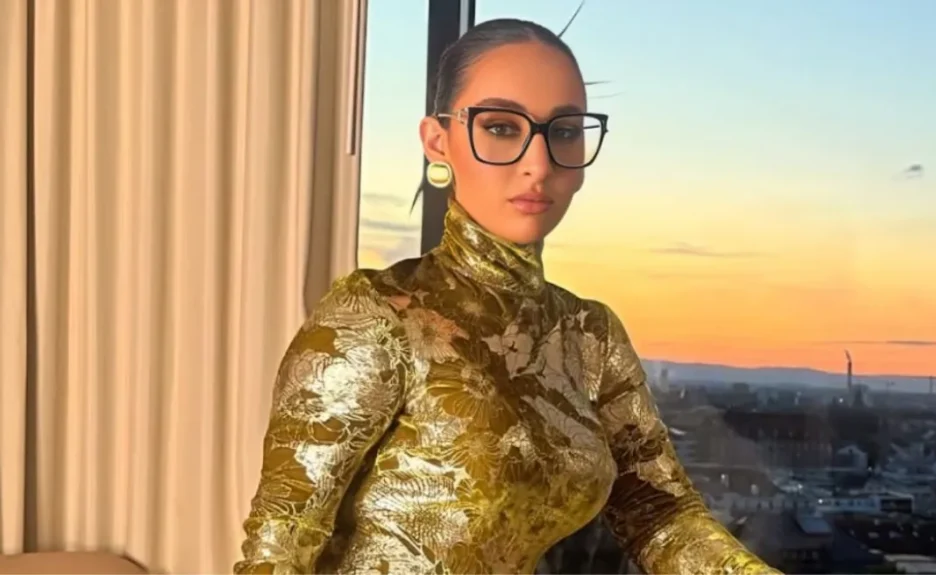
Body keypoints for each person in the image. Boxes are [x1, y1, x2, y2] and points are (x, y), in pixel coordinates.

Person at [234, 17, 779, 575]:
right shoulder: (376, 315)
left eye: (563, 132)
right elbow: (280, 546)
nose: (538, 165)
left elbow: (660, 516)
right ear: (438, 142)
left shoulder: (590, 337)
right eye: (500, 128)